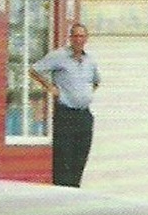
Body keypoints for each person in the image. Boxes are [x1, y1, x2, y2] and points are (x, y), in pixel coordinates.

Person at [30, 23, 99, 187]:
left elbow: (96, 82)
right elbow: (34, 70)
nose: (78, 40)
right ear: (70, 38)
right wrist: (50, 87)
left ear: (86, 39)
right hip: (65, 114)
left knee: (80, 157)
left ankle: (75, 191)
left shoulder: (90, 60)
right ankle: (61, 192)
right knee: (64, 159)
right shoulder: (59, 56)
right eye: (75, 36)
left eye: (82, 36)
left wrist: (83, 95)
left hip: (84, 115)